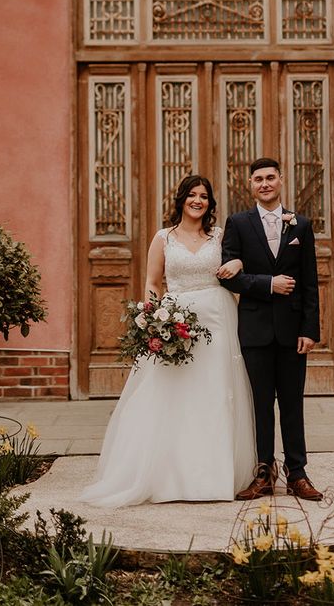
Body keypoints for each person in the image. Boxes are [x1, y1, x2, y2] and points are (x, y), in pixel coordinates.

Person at [79, 175, 257, 507]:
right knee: (173, 394)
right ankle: (169, 476)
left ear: (210, 203)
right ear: (181, 200)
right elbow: (152, 282)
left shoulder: (220, 236)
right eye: (192, 195)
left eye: (204, 196)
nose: (198, 201)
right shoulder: (164, 238)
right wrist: (152, 317)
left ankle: (214, 477)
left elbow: (241, 260)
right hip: (176, 320)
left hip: (218, 319)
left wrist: (238, 261)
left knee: (216, 393)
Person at [220, 157, 323, 501]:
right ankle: (264, 472)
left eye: (270, 178)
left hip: (293, 332)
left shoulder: (302, 225)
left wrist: (310, 330)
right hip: (254, 330)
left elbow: (310, 282)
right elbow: (228, 277)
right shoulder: (237, 223)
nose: (264, 184)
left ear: (281, 180)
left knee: (292, 404)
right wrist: (268, 284)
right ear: (250, 185)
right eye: (258, 179)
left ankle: (298, 473)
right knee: (260, 405)